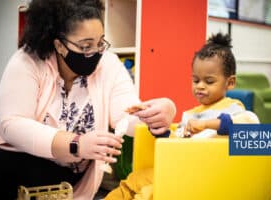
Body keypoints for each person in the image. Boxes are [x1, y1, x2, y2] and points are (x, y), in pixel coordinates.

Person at [0, 0, 176, 199]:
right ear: (59, 45)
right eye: (85, 46)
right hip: (13, 160)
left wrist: (154, 115)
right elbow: (12, 125)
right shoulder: (28, 61)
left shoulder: (108, 64)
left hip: (67, 175)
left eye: (100, 43)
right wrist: (76, 144)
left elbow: (125, 115)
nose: (96, 52)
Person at [104, 32, 260, 200]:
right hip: (182, 170)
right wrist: (158, 129)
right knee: (133, 180)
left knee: (149, 193)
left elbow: (251, 126)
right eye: (195, 80)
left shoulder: (233, 108)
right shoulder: (190, 115)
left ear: (229, 83)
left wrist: (207, 124)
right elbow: (175, 143)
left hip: (211, 178)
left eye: (209, 81)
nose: (200, 86)